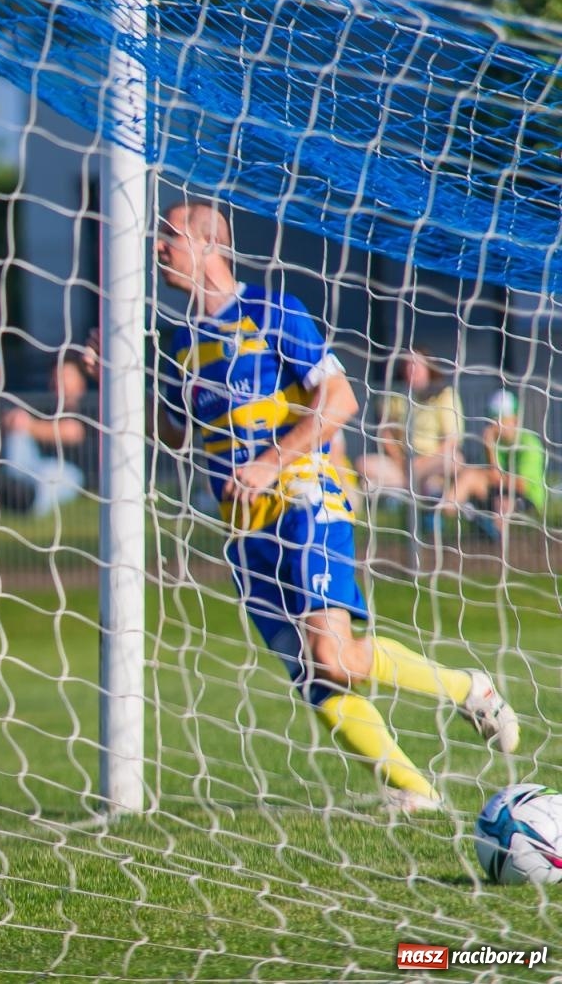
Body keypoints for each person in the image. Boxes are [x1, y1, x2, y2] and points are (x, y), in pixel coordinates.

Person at [130, 201, 517, 813]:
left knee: (332, 654)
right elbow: (178, 433)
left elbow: (339, 399)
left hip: (306, 500)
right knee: (314, 674)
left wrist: (270, 461)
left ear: (210, 244)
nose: (158, 248)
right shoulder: (182, 343)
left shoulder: (271, 311)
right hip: (244, 529)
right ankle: (414, 791)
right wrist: (116, 382)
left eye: (168, 237)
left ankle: (470, 689)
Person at [355, 350, 464, 504]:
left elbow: (452, 441)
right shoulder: (395, 396)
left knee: (454, 459)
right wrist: (400, 460)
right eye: (407, 365)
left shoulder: (445, 395)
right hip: (402, 463)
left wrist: (421, 463)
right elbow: (385, 432)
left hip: (433, 461)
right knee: (364, 463)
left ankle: (400, 487)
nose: (411, 369)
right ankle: (416, 487)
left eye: (417, 365)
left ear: (429, 368)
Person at [435, 390, 548, 537]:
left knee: (502, 502)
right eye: (492, 419)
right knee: (469, 476)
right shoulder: (495, 442)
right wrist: (489, 451)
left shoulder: (528, 444)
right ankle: (449, 513)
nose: (494, 425)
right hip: (497, 490)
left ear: (514, 419)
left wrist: (491, 460)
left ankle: (496, 537)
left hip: (525, 497)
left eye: (500, 419)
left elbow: (521, 485)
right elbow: (490, 474)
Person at [0, 353, 89, 517]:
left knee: (51, 475)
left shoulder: (90, 407)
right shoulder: (44, 407)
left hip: (69, 472)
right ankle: (12, 485)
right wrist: (14, 420)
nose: (59, 382)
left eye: (65, 376)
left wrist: (29, 425)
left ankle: (26, 500)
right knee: (17, 437)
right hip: (34, 466)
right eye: (55, 376)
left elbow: (71, 432)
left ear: (81, 381)